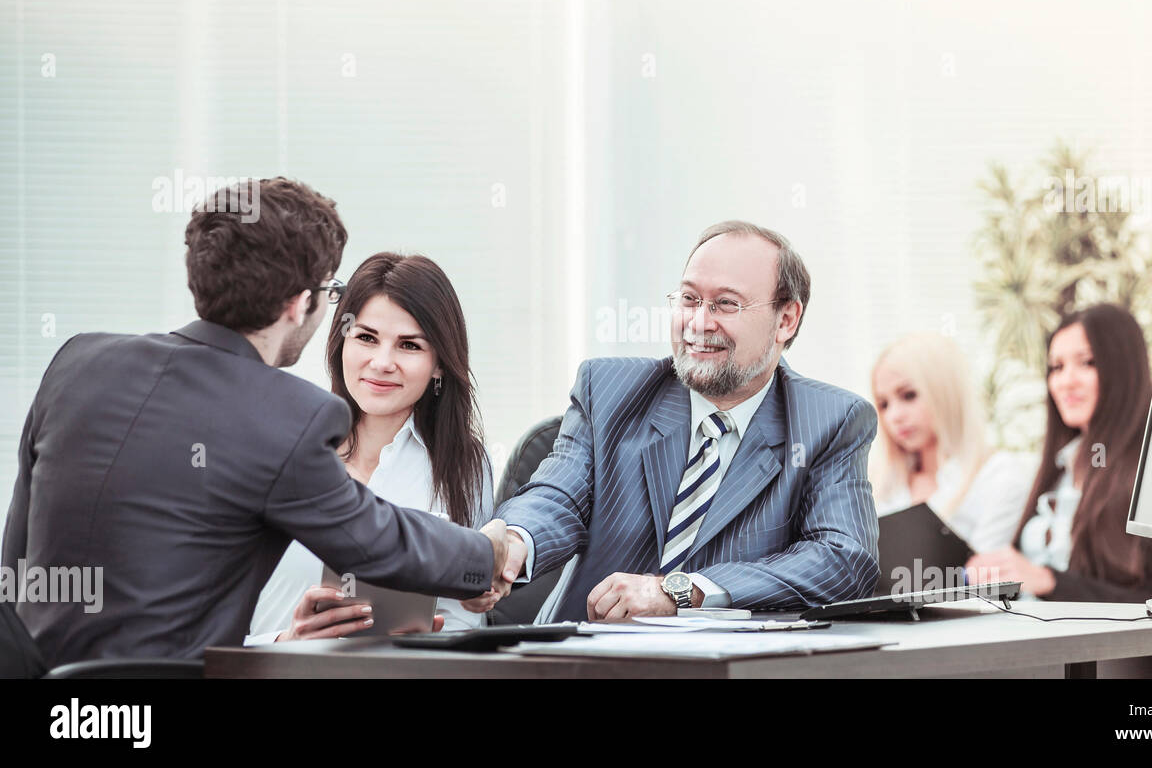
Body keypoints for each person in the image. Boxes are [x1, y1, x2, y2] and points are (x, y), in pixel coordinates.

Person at [2, 178, 509, 666]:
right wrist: (485, 556)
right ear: (300, 303)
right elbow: (376, 543)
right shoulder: (286, 415)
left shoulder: (76, 364)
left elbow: (16, 563)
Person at [477, 220, 879, 623]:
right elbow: (557, 497)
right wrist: (513, 542)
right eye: (689, 299)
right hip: (586, 650)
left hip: (728, 656)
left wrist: (684, 591)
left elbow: (843, 559)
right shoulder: (609, 392)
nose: (699, 323)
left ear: (786, 319)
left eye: (726, 304)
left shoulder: (829, 423)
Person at [247, 253, 494, 642]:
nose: (381, 363)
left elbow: (466, 620)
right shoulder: (274, 449)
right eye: (366, 338)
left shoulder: (464, 465)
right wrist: (287, 642)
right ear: (341, 342)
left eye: (409, 345)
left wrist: (421, 640)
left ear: (439, 364)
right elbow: (208, 626)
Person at [965, 303, 1152, 602]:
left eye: (1087, 363)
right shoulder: (1060, 467)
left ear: (1123, 370)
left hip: (1078, 632)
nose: (1066, 381)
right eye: (1057, 367)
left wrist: (1049, 582)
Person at [870, 332, 1029, 552]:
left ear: (945, 391)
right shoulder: (878, 484)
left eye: (909, 395)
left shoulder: (999, 475)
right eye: (884, 404)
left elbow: (985, 569)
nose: (894, 416)